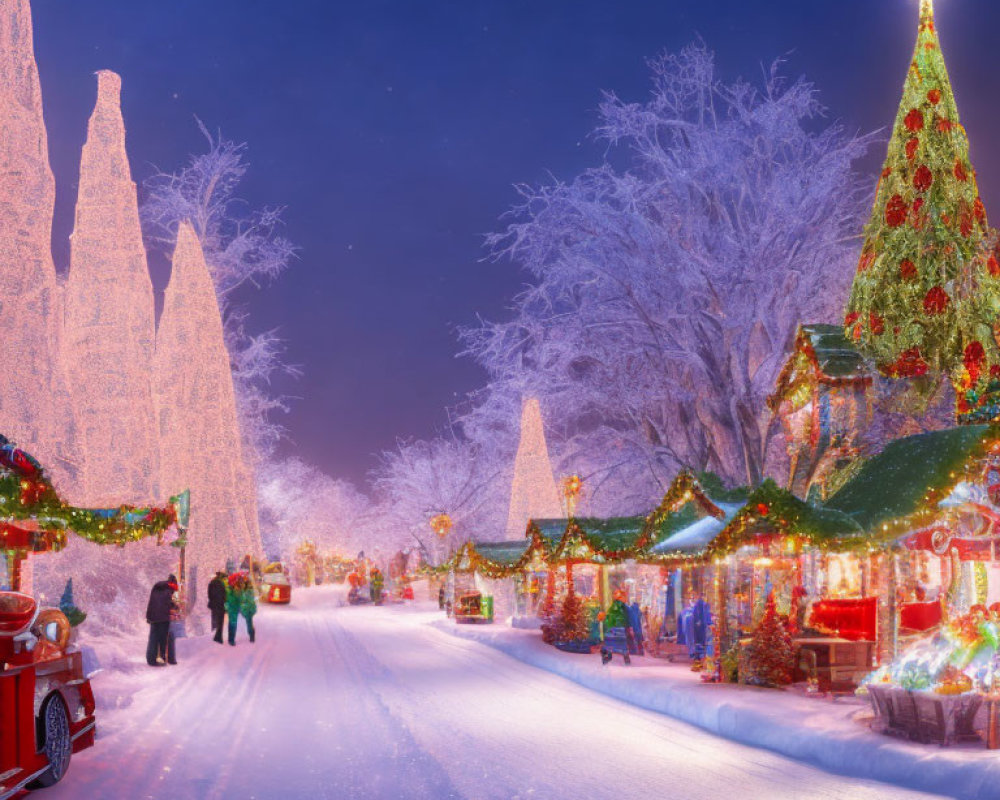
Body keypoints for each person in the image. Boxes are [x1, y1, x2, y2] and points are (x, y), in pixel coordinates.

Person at [146, 575, 178, 666]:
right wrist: (174, 606)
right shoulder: (167, 590)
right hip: (163, 618)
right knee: (162, 639)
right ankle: (162, 659)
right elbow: (167, 603)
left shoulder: (158, 586)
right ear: (173, 584)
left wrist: (148, 616)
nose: (174, 592)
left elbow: (153, 602)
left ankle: (151, 659)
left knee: (153, 638)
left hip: (153, 617)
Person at [226, 571, 257, 645]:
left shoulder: (245, 586)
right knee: (233, 622)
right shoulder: (231, 589)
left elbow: (248, 597)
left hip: (244, 606)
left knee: (248, 619)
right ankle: (231, 640)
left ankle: (251, 634)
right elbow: (229, 599)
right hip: (234, 606)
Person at [208, 571, 228, 644]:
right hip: (220, 605)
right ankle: (218, 637)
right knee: (220, 621)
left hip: (214, 604)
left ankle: (214, 633)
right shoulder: (221, 584)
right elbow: (224, 595)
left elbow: (209, 594)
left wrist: (212, 600)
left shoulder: (212, 583)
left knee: (214, 619)